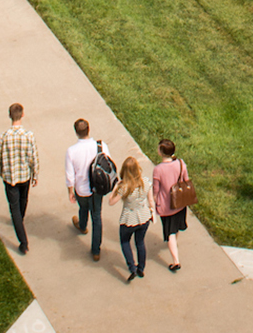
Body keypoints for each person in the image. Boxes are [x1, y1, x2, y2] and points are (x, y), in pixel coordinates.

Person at [0, 103, 37, 255]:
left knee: (14, 207)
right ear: (22, 115)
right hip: (24, 176)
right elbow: (33, 157)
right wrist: (35, 174)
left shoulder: (3, 137)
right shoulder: (29, 136)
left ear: (9, 116)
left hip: (10, 177)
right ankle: (20, 221)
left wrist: (2, 172)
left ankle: (23, 242)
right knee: (23, 200)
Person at [65, 119, 108, 262]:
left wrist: (70, 191)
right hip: (97, 189)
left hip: (81, 189)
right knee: (97, 217)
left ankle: (82, 225)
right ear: (88, 130)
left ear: (76, 132)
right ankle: (96, 251)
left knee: (83, 207)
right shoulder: (101, 146)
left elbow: (70, 175)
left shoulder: (71, 151)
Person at [151, 138, 193, 274]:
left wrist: (153, 205)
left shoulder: (158, 170)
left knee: (170, 233)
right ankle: (173, 241)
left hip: (166, 206)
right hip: (179, 202)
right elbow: (186, 180)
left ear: (161, 152)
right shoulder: (181, 163)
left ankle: (176, 261)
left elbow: (156, 191)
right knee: (175, 229)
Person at [112, 152, 154, 280]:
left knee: (125, 241)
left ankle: (132, 267)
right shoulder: (145, 183)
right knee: (140, 242)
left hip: (128, 219)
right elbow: (151, 200)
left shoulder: (124, 187)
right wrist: (152, 211)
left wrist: (115, 189)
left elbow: (111, 202)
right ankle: (141, 268)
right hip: (143, 217)